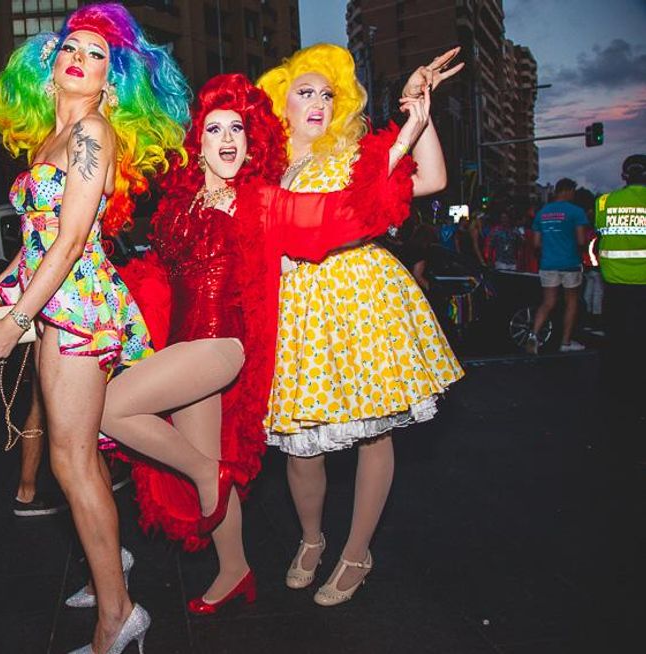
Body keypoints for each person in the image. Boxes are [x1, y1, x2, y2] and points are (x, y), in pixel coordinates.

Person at [101, 73, 392, 616]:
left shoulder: (257, 200)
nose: (228, 138)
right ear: (199, 142)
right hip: (184, 351)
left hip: (221, 347)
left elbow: (332, 217)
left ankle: (206, 478)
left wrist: (401, 141)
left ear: (251, 137)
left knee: (111, 408)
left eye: (238, 127)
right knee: (206, 460)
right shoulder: (178, 205)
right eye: (215, 128)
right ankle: (235, 570)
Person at [0, 5, 188, 651]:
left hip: (77, 307)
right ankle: (110, 578)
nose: (78, 57)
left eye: (96, 54)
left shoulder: (92, 133)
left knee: (74, 461)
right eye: (71, 47)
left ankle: (118, 617)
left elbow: (68, 245)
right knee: (73, 461)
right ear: (49, 66)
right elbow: (35, 242)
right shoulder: (52, 141)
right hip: (54, 299)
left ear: (111, 82)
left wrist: (15, 319)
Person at [259, 43, 465, 606]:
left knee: (375, 431)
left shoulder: (353, 152)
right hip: (296, 304)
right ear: (281, 101)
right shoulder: (262, 165)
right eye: (306, 91)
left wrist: (416, 109)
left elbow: (433, 179)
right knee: (300, 444)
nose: (320, 102)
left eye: (329, 93)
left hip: (359, 298)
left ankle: (356, 550)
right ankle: (310, 538)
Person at [594, 154, 646, 430]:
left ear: (624, 176)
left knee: (616, 336)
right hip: (643, 282)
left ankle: (616, 386)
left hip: (614, 281)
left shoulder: (604, 202)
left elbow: (601, 231)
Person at [526, 178, 588, 354]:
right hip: (569, 263)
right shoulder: (576, 212)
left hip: (548, 264)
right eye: (573, 192)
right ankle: (566, 343)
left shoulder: (542, 213)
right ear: (567, 191)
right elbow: (582, 240)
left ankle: (534, 335)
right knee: (571, 302)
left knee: (548, 302)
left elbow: (536, 244)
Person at [484, 207, 522, 271]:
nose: (504, 220)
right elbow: (490, 246)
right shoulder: (496, 231)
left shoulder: (515, 231)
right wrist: (489, 260)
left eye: (505, 218)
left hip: (512, 262)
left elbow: (520, 246)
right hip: (500, 262)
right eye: (502, 218)